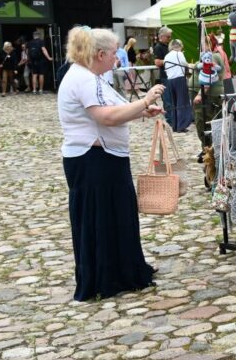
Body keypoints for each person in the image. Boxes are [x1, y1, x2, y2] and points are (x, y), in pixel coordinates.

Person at [56, 26, 165, 301]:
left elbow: (115, 109)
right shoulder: (83, 79)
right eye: (114, 53)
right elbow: (106, 117)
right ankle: (108, 276)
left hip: (105, 158)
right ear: (100, 54)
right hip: (93, 160)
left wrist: (142, 111)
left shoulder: (91, 77)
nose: (117, 58)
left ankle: (125, 268)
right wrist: (145, 100)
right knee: (101, 218)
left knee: (116, 215)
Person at [164, 39, 193, 133]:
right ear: (179, 46)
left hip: (170, 80)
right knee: (182, 102)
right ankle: (182, 125)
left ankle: (175, 125)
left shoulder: (167, 56)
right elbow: (185, 64)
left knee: (174, 103)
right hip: (179, 79)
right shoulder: (179, 53)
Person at [153, 26, 173, 114]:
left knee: (172, 99)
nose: (170, 38)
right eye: (168, 37)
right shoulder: (158, 47)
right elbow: (157, 62)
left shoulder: (168, 46)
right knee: (167, 99)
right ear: (161, 36)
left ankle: (173, 118)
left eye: (170, 36)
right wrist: (171, 60)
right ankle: (170, 119)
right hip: (165, 76)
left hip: (171, 75)